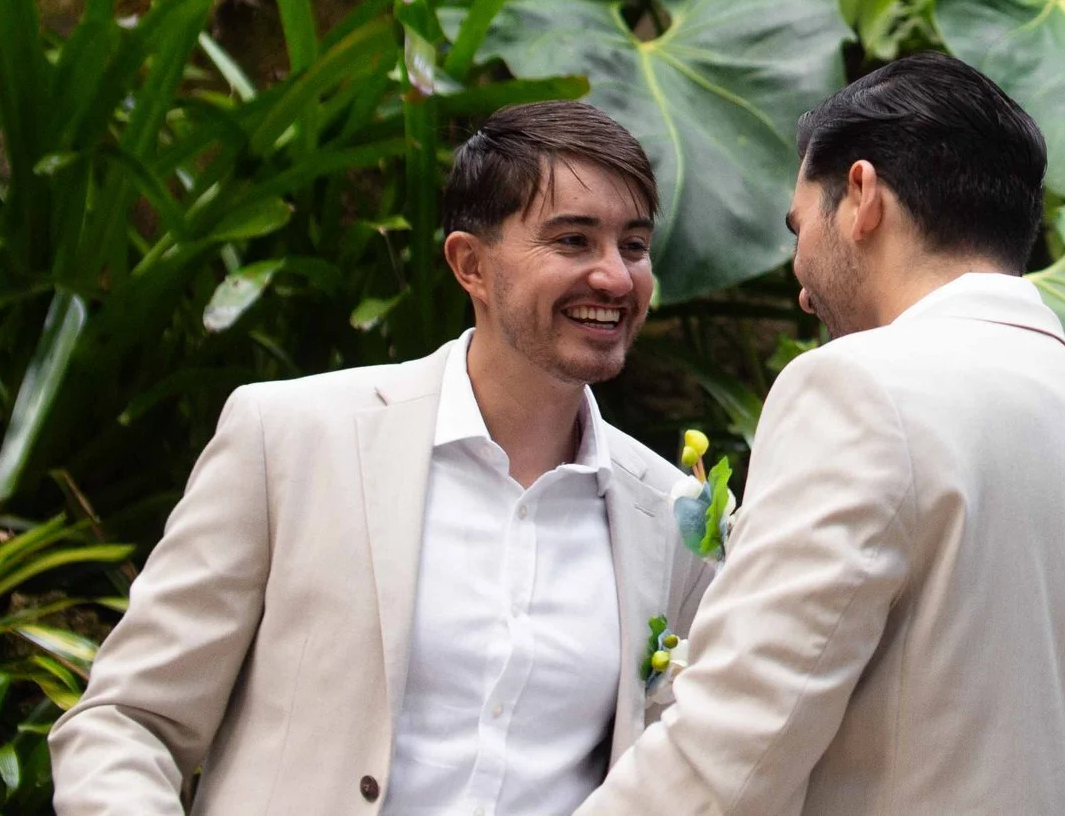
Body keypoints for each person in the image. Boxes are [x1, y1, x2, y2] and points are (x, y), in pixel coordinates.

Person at [52, 101, 716, 816]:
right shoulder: (290, 438)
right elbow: (127, 720)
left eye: (635, 245)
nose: (615, 278)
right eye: (573, 240)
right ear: (471, 265)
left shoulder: (675, 517)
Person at [576, 53, 1065, 816]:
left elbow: (728, 753)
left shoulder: (861, 389)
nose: (800, 280)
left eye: (800, 225)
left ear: (860, 195)